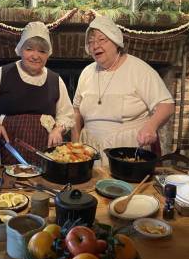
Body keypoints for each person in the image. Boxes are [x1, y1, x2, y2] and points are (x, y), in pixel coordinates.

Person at [0, 21, 74, 167]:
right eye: (29, 49)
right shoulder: (2, 74)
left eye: (42, 51)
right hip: (6, 149)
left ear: (48, 54)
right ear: (20, 49)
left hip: (43, 152)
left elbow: (66, 114)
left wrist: (58, 129)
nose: (35, 56)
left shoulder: (55, 80)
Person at [72, 15, 174, 165]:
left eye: (101, 40)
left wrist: (151, 126)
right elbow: (76, 111)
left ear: (116, 41)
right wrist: (75, 146)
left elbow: (167, 105)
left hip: (127, 152)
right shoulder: (87, 73)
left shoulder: (139, 69)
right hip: (89, 151)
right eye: (91, 41)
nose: (95, 46)